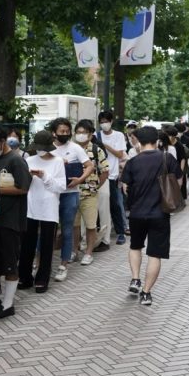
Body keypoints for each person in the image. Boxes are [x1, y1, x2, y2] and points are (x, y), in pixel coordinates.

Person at [120, 126, 182, 305]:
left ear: (138, 141)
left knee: (135, 246)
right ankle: (146, 293)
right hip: (160, 214)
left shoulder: (133, 162)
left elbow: (125, 188)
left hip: (137, 213)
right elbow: (178, 180)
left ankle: (135, 279)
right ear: (157, 140)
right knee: (155, 254)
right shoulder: (166, 158)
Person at [0, 125, 31, 319]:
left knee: (10, 262)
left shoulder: (16, 160)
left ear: (2, 142)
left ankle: (8, 303)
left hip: (10, 219)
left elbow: (24, 188)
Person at [17, 130, 66, 293]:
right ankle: (24, 277)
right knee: (27, 244)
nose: (39, 150)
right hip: (30, 205)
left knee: (46, 245)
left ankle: (42, 278)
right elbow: (23, 184)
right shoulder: (29, 160)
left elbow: (61, 186)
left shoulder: (58, 161)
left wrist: (44, 176)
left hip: (49, 207)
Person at [51, 118, 93, 282]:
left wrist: (80, 180)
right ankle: (38, 263)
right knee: (47, 230)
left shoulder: (75, 148)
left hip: (70, 194)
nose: (65, 134)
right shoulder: (47, 148)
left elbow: (89, 166)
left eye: (67, 131)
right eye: (61, 131)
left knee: (67, 229)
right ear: (54, 132)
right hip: (51, 195)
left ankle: (63, 265)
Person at [73, 120, 109, 266]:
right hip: (71, 193)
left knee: (90, 225)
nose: (81, 135)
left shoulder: (96, 150)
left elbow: (105, 171)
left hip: (90, 195)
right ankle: (74, 251)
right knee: (74, 225)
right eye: (78, 132)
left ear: (90, 134)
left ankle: (88, 253)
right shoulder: (69, 149)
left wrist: (95, 186)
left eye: (84, 132)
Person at [97, 111, 129, 245]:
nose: (104, 124)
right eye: (102, 122)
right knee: (99, 207)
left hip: (112, 175)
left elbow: (120, 154)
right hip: (98, 175)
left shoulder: (119, 136)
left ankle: (121, 232)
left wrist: (105, 145)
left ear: (111, 122)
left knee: (115, 205)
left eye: (106, 121)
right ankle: (100, 233)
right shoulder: (96, 135)